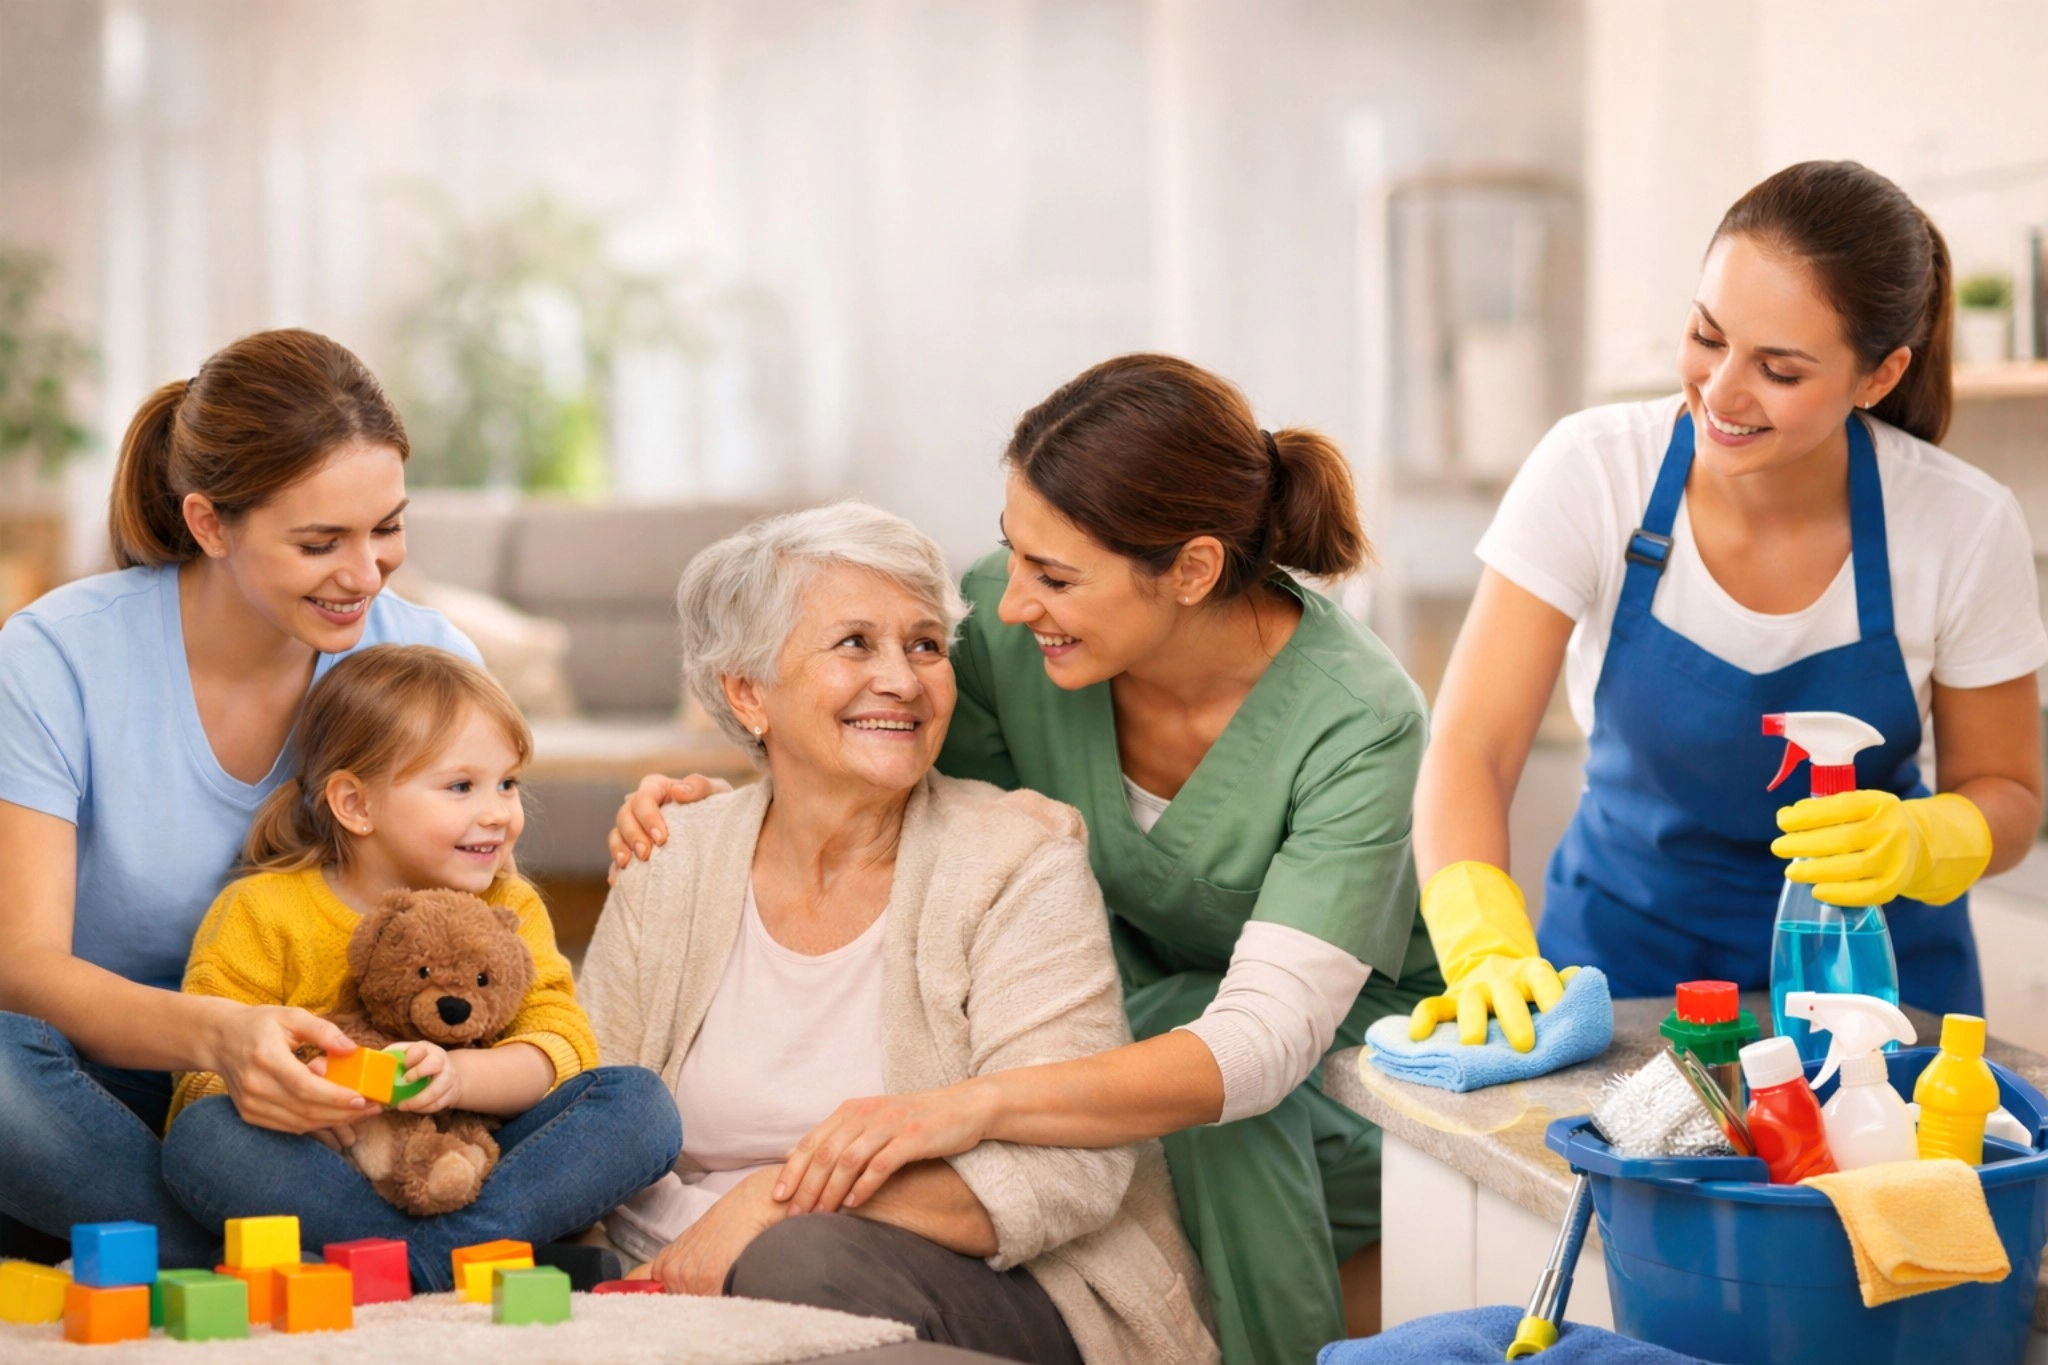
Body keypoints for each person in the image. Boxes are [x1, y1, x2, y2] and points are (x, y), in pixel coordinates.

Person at [612, 358, 1443, 1365]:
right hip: (1095, 1001)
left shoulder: (1355, 717)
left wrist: (962, 1105)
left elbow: (1259, 1042)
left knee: (1220, 1123)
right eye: (1014, 557)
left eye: (1053, 577)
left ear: (1189, 570)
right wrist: (722, 815)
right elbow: (878, 763)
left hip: (1322, 1045)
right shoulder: (1012, 644)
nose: (1006, 607)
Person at [1408, 160, 2044, 1047]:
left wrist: (1926, 838)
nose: (1721, 391)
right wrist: (1480, 942)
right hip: (1625, 981)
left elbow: (2010, 792)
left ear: (1880, 374)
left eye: (1779, 370)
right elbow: (1471, 745)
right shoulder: (1595, 470)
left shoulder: (1961, 523)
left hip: (1875, 995)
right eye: (1707, 336)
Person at [579, 502, 1216, 1365]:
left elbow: (1069, 1170)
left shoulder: (1017, 857)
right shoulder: (672, 856)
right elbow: (588, 1120)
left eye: (924, 645)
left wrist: (780, 1202)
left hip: (989, 1290)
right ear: (747, 692)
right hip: (678, 1280)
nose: (905, 680)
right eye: (855, 645)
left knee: (801, 1258)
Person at [0, 329, 483, 1267]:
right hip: (117, 1079)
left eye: (386, 526)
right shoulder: (56, 653)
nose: (366, 574)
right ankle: (352, 1263)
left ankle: (223, 1246)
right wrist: (220, 1037)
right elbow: (21, 963)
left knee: (606, 1096)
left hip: (347, 1099)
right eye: (319, 542)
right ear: (211, 524)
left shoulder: (429, 662)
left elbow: (475, 930)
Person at [158, 645, 679, 1291]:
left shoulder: (507, 905)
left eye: (508, 782)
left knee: (638, 1102)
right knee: (203, 1137)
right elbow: (204, 1076)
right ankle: (469, 1258)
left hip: (473, 1156)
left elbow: (563, 1047)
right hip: (326, 1169)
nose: (498, 810)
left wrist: (459, 1077)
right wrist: (301, 1102)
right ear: (355, 803)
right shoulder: (262, 910)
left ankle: (408, 1263)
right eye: (462, 786)